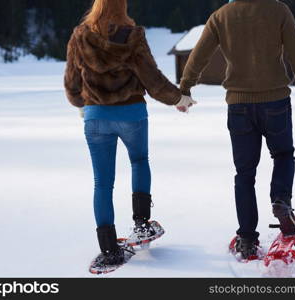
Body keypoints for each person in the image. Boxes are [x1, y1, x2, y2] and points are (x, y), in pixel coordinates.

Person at [64, 0, 196, 266]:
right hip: (132, 114)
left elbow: (72, 84)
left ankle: (109, 249)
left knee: (102, 182)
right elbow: (152, 79)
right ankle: (141, 224)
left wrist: (85, 105)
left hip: (96, 117)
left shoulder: (80, 35)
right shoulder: (133, 36)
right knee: (139, 161)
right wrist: (179, 99)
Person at [180, 0, 295, 259]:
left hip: (239, 106)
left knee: (244, 173)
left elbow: (200, 54)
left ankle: (246, 238)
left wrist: (185, 87)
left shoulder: (221, 15)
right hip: (275, 101)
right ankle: (281, 201)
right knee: (283, 155)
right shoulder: (278, 10)